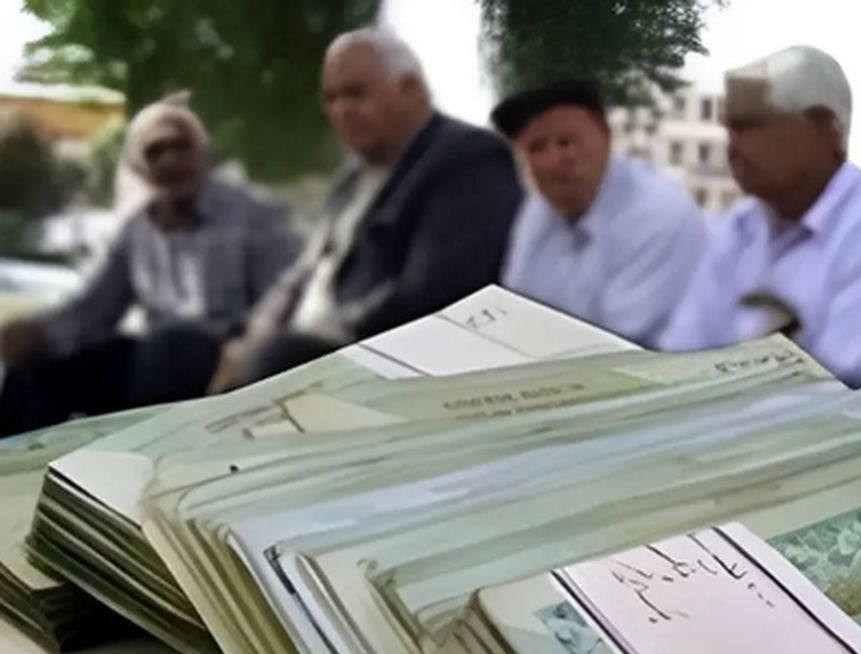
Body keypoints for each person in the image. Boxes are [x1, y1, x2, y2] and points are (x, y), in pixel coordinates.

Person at [210, 28, 523, 390]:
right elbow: (304, 271)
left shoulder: (468, 159)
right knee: (183, 347)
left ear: (411, 89)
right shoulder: (352, 179)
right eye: (331, 98)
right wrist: (252, 334)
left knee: (274, 359)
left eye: (356, 94)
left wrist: (327, 334)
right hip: (302, 346)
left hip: (380, 360)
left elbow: (432, 293)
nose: (342, 110)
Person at [0, 100, 300, 437]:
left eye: (181, 146)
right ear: (139, 165)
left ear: (203, 154)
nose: (169, 160)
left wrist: (247, 349)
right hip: (154, 363)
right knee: (34, 364)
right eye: (155, 151)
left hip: (227, 361)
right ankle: (13, 458)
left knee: (172, 344)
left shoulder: (252, 214)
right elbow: (94, 309)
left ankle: (146, 450)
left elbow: (288, 298)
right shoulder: (136, 228)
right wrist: (39, 334)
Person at [658, 46, 861, 388]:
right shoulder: (736, 228)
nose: (733, 147)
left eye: (751, 126)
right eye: (731, 128)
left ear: (824, 128)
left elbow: (837, 387)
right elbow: (680, 357)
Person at [491, 80, 707, 346]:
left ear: (606, 137)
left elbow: (615, 347)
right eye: (537, 148)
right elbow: (511, 311)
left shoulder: (662, 214)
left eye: (565, 142)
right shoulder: (538, 209)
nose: (554, 161)